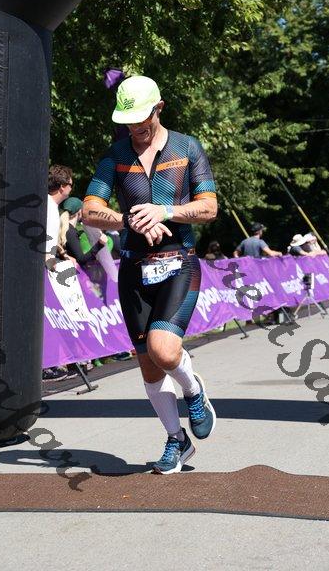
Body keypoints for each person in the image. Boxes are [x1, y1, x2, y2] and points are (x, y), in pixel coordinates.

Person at [83, 75, 217, 474]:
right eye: (127, 121)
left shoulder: (186, 147)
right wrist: (129, 219)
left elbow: (209, 208)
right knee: (148, 365)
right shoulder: (115, 155)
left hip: (180, 262)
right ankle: (177, 440)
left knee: (164, 351)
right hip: (134, 268)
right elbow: (89, 211)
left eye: (141, 118)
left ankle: (193, 390)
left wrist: (165, 211)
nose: (134, 127)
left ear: (159, 108)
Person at [43, 164, 74, 382]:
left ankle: (50, 364)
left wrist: (61, 254)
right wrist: (54, 263)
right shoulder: (48, 208)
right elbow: (43, 245)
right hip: (43, 271)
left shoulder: (50, 206)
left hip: (46, 266)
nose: (71, 188)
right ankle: (46, 367)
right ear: (62, 186)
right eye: (70, 184)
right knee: (46, 320)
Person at [59, 197, 108, 264]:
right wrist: (100, 244)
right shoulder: (70, 231)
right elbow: (81, 259)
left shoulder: (65, 229)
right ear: (79, 211)